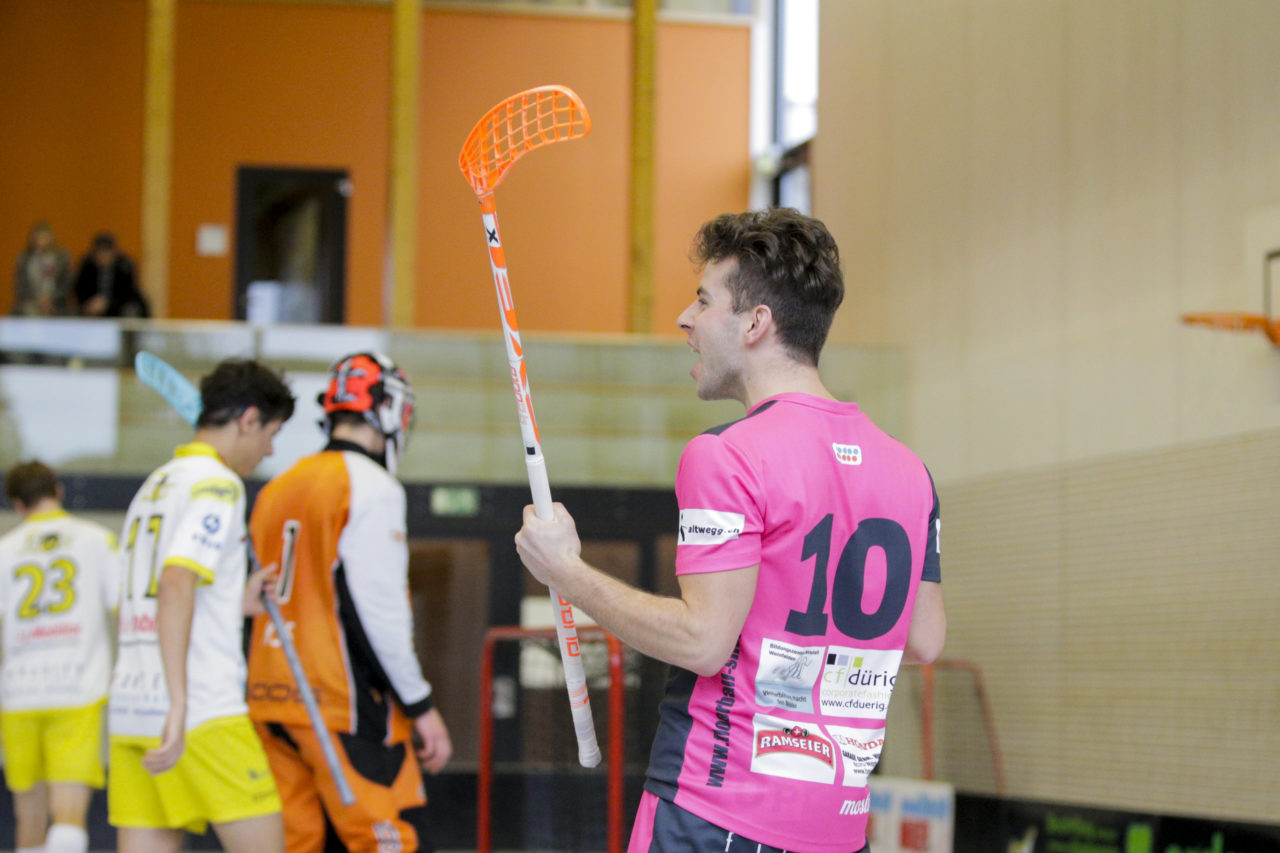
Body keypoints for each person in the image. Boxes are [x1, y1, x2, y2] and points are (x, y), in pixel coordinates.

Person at [515, 208, 947, 853]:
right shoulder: (910, 470)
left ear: (755, 323)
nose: (686, 321)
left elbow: (701, 643)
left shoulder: (727, 454)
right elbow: (924, 640)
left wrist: (566, 572)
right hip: (836, 830)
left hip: (717, 816)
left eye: (703, 300)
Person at [246, 351, 452, 853]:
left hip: (267, 692)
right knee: (380, 840)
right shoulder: (371, 486)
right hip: (334, 698)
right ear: (384, 410)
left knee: (297, 842)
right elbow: (379, 614)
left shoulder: (277, 486)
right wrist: (420, 704)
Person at [107, 358, 296, 853]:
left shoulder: (154, 484)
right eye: (271, 433)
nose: (270, 449)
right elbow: (175, 583)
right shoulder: (218, 484)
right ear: (248, 420)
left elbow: (148, 596)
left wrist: (233, 606)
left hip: (131, 710)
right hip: (199, 712)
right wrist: (180, 701)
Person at [0, 461, 122, 853]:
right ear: (58, 490)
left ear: (18, 504)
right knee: (69, 814)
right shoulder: (96, 539)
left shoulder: (5, 550)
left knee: (28, 817)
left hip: (18, 691)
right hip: (76, 687)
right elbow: (122, 607)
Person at [73, 231, 149, 318]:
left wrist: (107, 302)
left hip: (118, 306)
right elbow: (80, 289)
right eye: (99, 253)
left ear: (114, 252)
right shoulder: (87, 265)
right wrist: (90, 303)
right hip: (91, 306)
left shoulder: (125, 266)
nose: (103, 257)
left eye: (106, 252)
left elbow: (128, 292)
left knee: (132, 309)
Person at [11, 222, 73, 316]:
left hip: (55, 303)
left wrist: (50, 299)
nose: (40, 241)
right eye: (37, 237)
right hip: (30, 303)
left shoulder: (61, 258)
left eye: (44, 237)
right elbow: (20, 284)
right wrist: (37, 299)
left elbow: (66, 283)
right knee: (28, 312)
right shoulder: (24, 259)